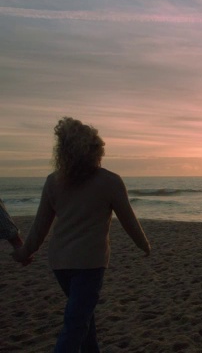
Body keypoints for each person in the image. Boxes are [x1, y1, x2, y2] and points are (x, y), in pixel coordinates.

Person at [12, 117, 151, 353]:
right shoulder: (110, 181)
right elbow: (129, 221)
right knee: (75, 324)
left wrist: (24, 252)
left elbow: (40, 228)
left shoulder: (53, 182)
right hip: (90, 264)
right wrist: (144, 244)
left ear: (63, 151)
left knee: (83, 315)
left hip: (60, 264)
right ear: (95, 149)